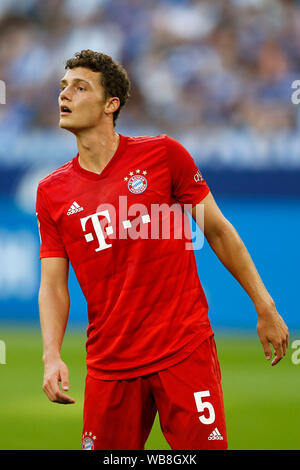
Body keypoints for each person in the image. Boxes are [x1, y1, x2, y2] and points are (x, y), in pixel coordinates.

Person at [36, 50, 289, 451]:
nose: (64, 95)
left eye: (80, 87)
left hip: (182, 350)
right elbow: (53, 285)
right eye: (63, 87)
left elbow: (220, 232)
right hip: (110, 365)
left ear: (110, 104)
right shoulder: (51, 192)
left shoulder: (162, 155)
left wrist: (264, 305)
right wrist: (51, 356)